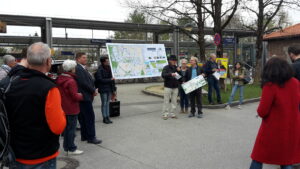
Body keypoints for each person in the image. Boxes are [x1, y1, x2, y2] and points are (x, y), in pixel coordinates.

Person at [5, 42, 66, 168]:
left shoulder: (11, 82)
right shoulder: (49, 88)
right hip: (41, 156)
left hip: (15, 153)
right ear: (48, 61)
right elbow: (58, 127)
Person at [249, 57, 300, 169]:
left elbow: (262, 111)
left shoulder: (270, 85)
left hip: (272, 128)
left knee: (258, 156)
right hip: (292, 127)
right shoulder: (296, 83)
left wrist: (259, 112)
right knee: (287, 159)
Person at [56, 60, 84, 155]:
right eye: (74, 68)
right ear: (72, 69)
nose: (75, 69)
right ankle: (71, 148)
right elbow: (74, 96)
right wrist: (81, 95)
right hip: (72, 108)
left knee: (67, 129)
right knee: (71, 129)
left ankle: (66, 147)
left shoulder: (60, 78)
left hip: (63, 108)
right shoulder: (71, 81)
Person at [75, 52, 102, 144]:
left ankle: (85, 135)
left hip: (85, 96)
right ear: (78, 59)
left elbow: (88, 81)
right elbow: (83, 83)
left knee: (84, 117)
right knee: (89, 117)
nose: (85, 59)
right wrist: (93, 90)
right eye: (83, 57)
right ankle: (91, 137)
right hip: (85, 97)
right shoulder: (78, 68)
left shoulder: (82, 68)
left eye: (86, 57)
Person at [94, 56, 117, 124]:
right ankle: (104, 117)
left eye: (108, 61)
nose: (108, 62)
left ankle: (107, 117)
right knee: (104, 103)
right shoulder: (99, 70)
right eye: (106, 61)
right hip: (103, 89)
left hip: (109, 88)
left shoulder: (109, 68)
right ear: (103, 62)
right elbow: (100, 80)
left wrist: (114, 90)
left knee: (107, 103)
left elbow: (112, 79)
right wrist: (110, 79)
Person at [161, 55, 180, 120]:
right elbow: (163, 75)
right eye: (173, 60)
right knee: (166, 101)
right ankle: (165, 114)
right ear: (170, 61)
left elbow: (179, 77)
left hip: (175, 86)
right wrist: (170, 74)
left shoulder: (176, 67)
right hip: (168, 86)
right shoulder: (166, 67)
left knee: (174, 101)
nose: (175, 62)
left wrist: (179, 71)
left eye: (175, 61)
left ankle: (173, 113)